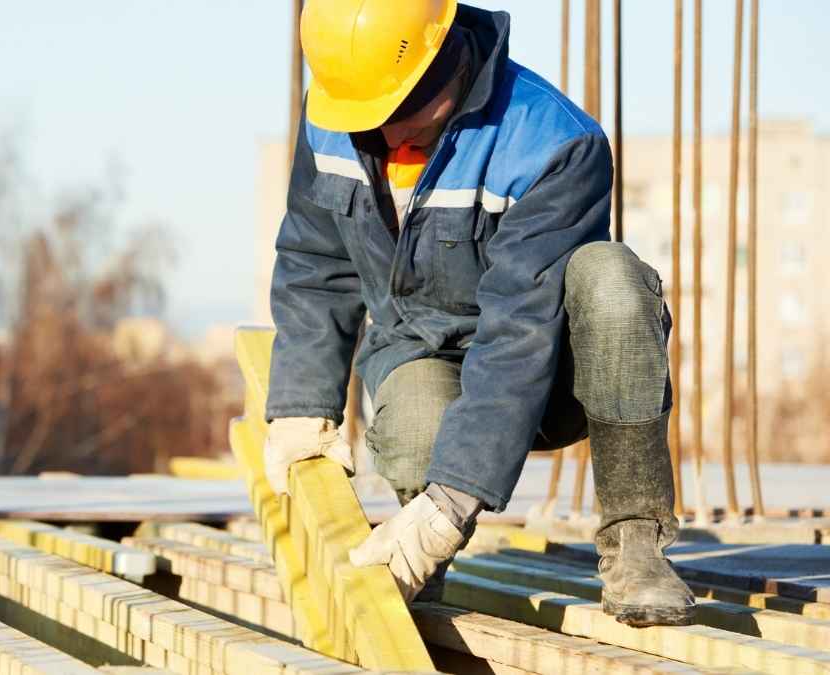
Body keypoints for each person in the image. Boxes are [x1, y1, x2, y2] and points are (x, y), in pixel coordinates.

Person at [263, 0, 695, 627]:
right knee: (413, 428)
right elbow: (312, 261)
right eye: (367, 119)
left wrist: (453, 499)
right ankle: (422, 562)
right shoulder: (335, 111)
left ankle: (635, 542)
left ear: (448, 61)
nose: (385, 138)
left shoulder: (552, 142)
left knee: (612, 278)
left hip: (549, 373)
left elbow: (519, 328)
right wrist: (302, 407)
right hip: (422, 352)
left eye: (399, 113)